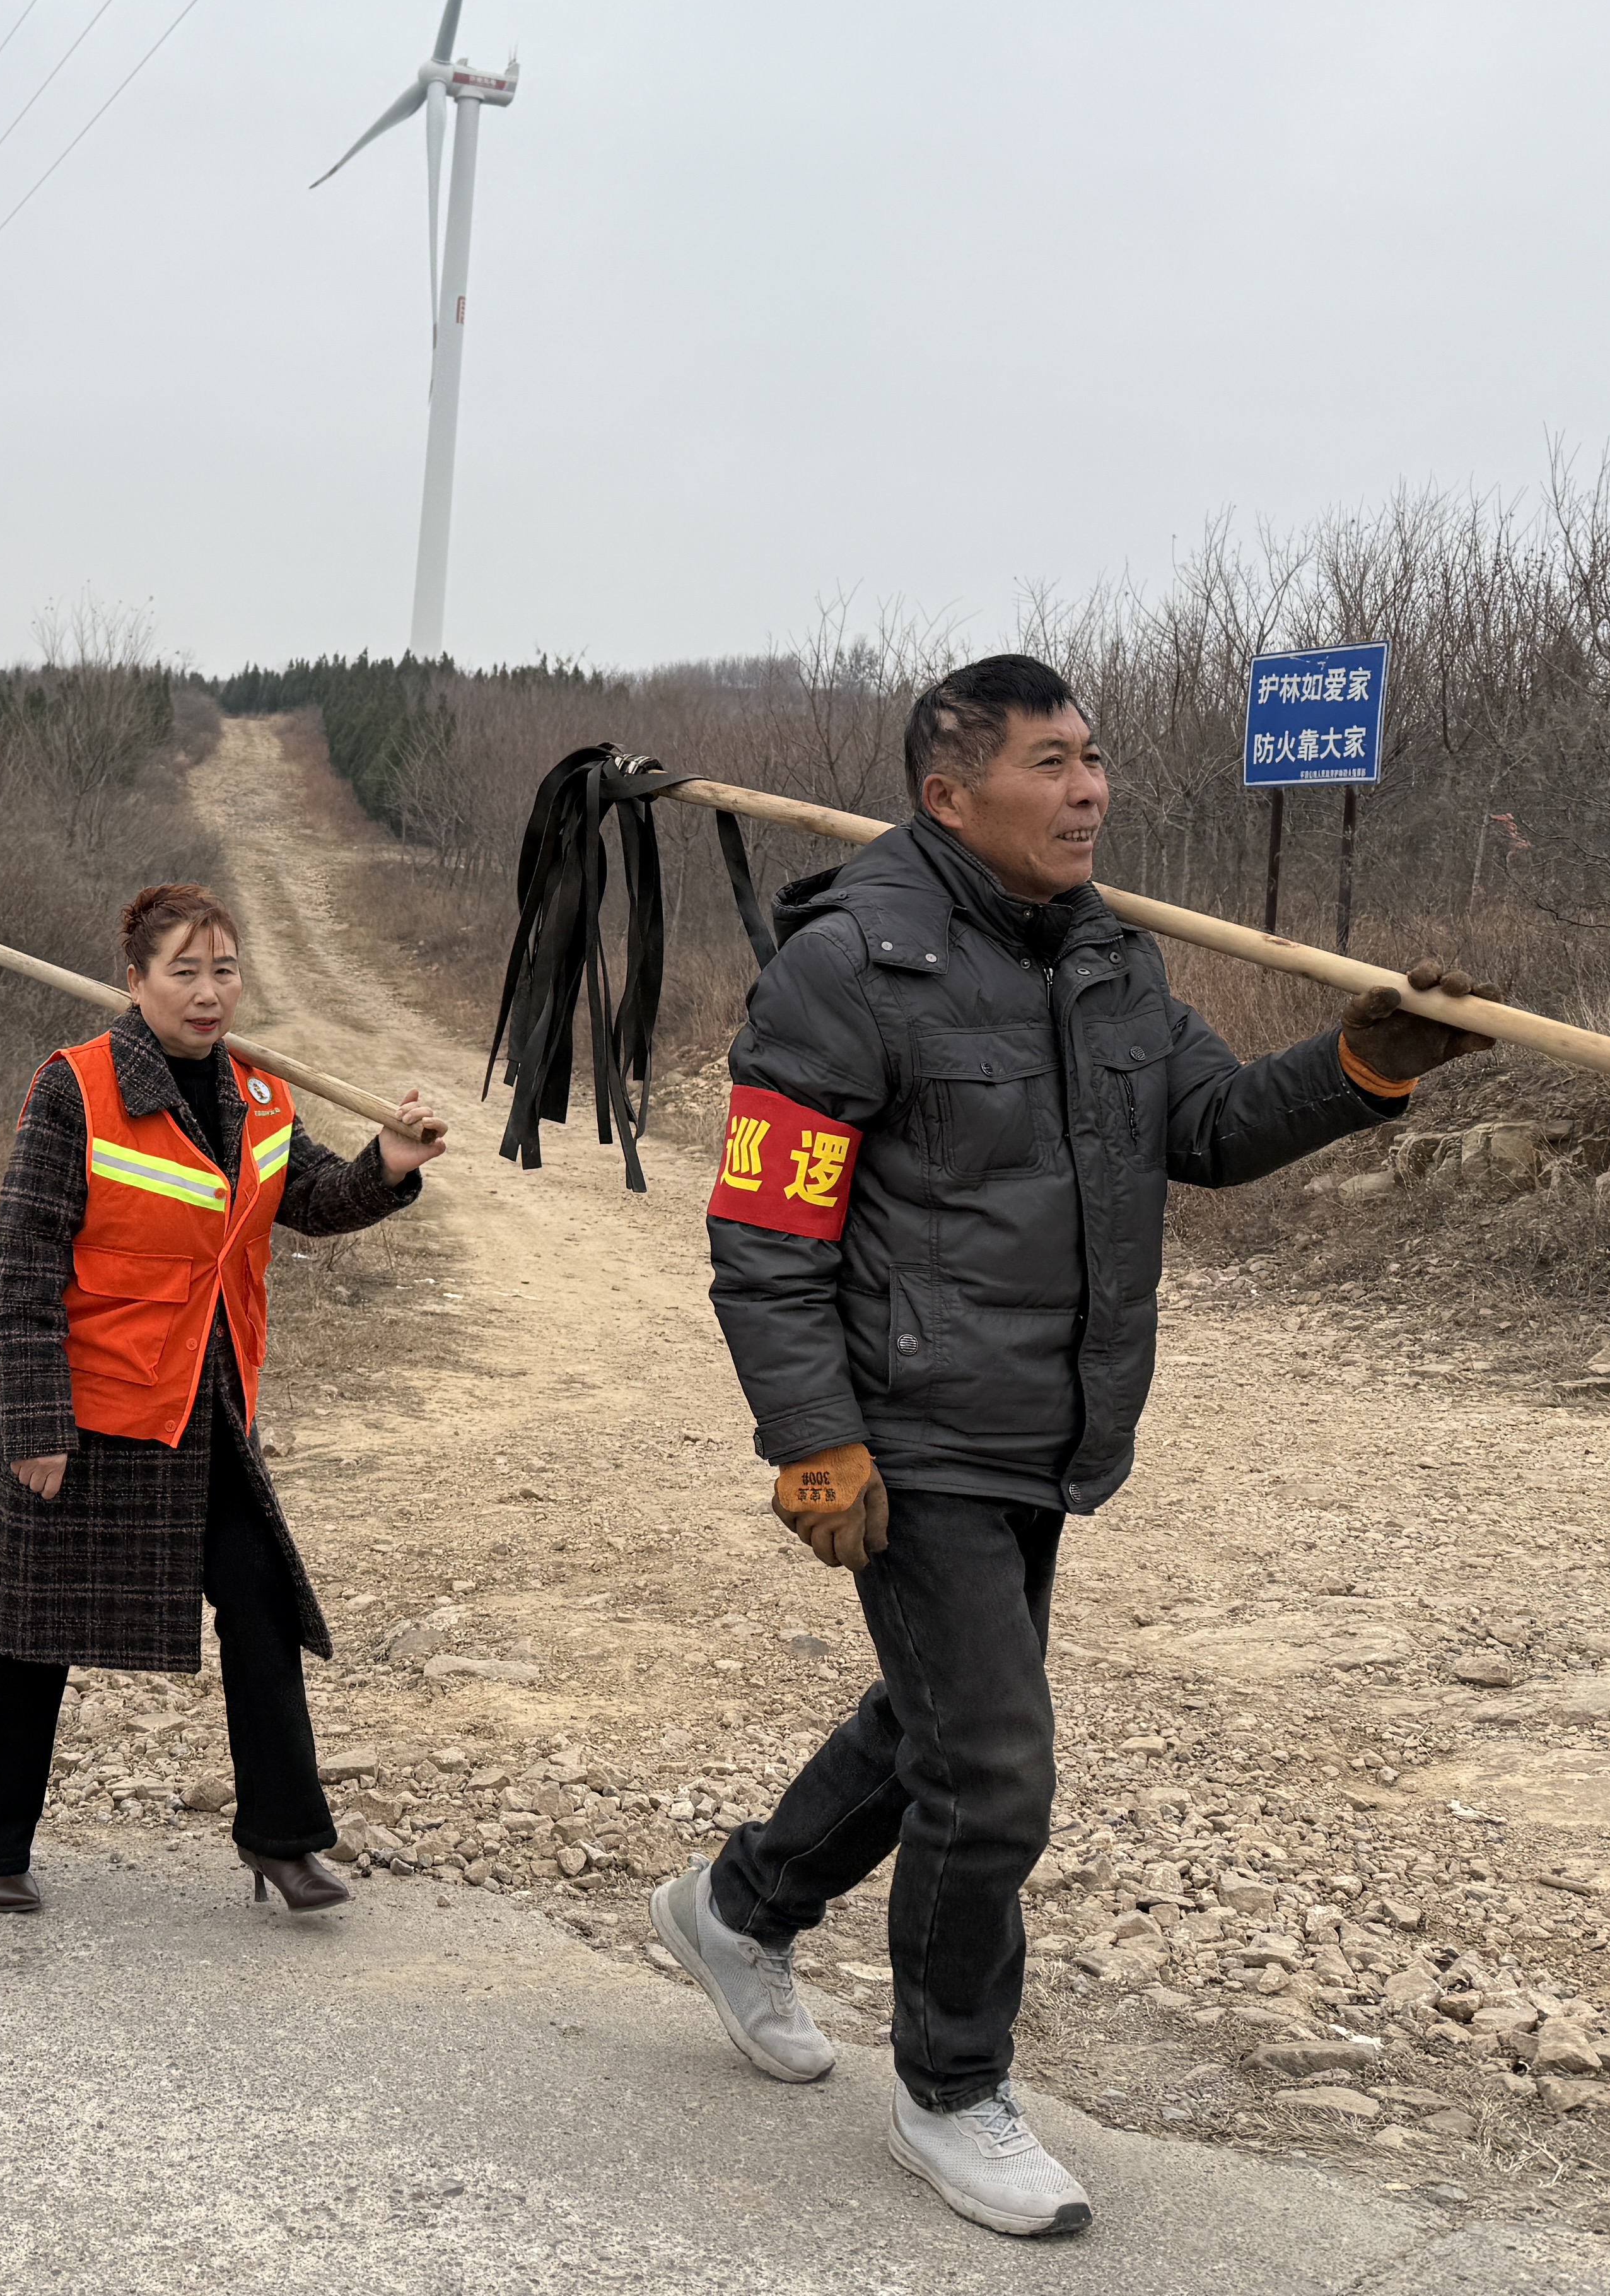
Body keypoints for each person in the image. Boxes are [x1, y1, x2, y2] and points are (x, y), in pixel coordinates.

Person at [654, 655, 1499, 2241]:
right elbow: (766, 1231)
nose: (1092, 787)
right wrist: (813, 1437)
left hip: (1050, 1421)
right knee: (995, 1767)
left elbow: (1213, 1132)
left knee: (939, 1726)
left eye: (1095, 757)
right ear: (950, 793)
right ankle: (953, 2094)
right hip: (909, 1435)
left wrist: (1370, 1062)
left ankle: (736, 1907)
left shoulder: (1111, 961)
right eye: (1051, 763)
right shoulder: (846, 971)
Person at [0, 882, 447, 1919]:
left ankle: (284, 1837)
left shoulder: (258, 1095)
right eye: (185, 969)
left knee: (257, 1599)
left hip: (201, 1407)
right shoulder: (74, 1089)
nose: (209, 991)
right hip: (86, 1409)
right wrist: (34, 1421)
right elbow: (22, 1262)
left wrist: (388, 1165)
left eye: (224, 968)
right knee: (35, 1626)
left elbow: (305, 1199)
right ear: (135, 980)